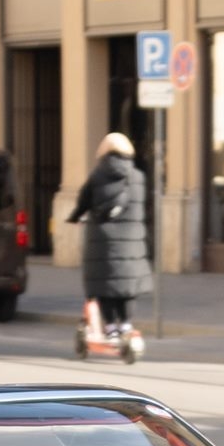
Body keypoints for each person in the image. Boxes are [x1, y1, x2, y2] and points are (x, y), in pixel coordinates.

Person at [67, 127, 151, 355]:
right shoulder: (139, 177)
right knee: (126, 287)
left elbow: (84, 201)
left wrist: (75, 217)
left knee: (105, 286)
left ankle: (111, 327)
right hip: (132, 240)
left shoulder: (98, 175)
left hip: (103, 238)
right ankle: (126, 325)